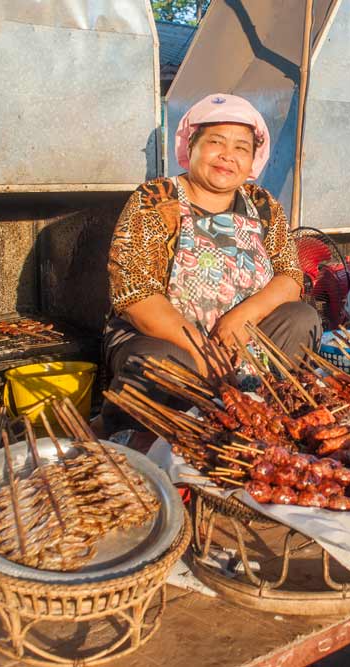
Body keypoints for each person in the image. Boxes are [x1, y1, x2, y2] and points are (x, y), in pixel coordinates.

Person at [99, 93, 321, 439]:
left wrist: (242, 319)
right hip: (170, 341)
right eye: (215, 142)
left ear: (252, 161)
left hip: (243, 341)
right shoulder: (156, 200)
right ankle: (133, 440)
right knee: (160, 361)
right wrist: (202, 353)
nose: (227, 156)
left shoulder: (263, 205)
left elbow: (290, 276)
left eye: (241, 148)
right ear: (192, 147)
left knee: (301, 318)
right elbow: (135, 294)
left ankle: (267, 421)